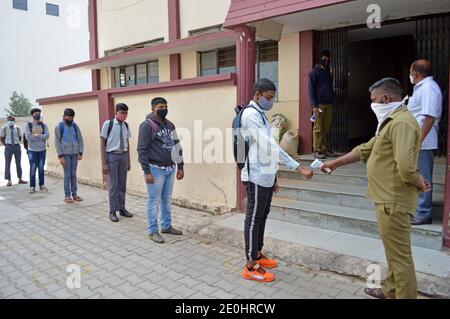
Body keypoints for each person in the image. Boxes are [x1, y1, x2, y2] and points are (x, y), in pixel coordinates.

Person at [323, 78, 431, 299]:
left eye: (373, 100)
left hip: (394, 201)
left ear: (385, 98)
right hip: (386, 198)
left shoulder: (401, 123)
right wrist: (336, 163)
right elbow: (366, 148)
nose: (372, 104)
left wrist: (419, 181)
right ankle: (391, 291)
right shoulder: (390, 121)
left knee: (401, 258)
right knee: (394, 252)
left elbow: (406, 167)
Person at [239, 78, 313, 282]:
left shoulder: (261, 114)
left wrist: (273, 177)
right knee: (254, 219)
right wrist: (297, 166)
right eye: (268, 97)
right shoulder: (251, 115)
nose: (270, 101)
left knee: (261, 216)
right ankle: (250, 265)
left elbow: (266, 149)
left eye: (272, 98)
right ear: (257, 95)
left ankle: (258, 255)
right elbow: (269, 147)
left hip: (265, 176)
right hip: (254, 176)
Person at [137, 97, 185, 244]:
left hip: (170, 168)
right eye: (161, 106)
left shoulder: (170, 125)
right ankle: (152, 230)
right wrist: (147, 172)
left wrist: (181, 166)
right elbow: (142, 150)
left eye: (166, 106)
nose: (164, 108)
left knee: (166, 199)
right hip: (155, 169)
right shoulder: (147, 125)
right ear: (153, 108)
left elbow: (177, 146)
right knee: (154, 200)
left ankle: (166, 226)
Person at [408, 60, 443, 225]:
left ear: (416, 73)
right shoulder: (422, 88)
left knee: (423, 176)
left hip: (423, 141)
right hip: (419, 140)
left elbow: (429, 117)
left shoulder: (428, 88)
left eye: (411, 72)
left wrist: (418, 141)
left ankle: (423, 212)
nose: (410, 76)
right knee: (418, 175)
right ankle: (419, 209)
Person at [100, 103, 133, 222]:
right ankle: (112, 211)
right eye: (122, 113)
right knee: (113, 185)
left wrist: (128, 160)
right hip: (112, 156)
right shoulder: (108, 124)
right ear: (116, 113)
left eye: (126, 113)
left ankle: (122, 208)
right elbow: (102, 142)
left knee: (122, 184)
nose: (124, 116)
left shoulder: (126, 126)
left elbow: (127, 143)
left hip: (123, 156)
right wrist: (104, 163)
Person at [308, 49, 337, 159]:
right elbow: (310, 90)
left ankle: (325, 149)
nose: (326, 60)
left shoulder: (327, 72)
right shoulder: (314, 72)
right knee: (318, 128)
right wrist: (314, 105)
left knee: (326, 128)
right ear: (320, 58)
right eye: (324, 58)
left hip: (329, 104)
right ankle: (317, 150)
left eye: (328, 59)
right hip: (319, 105)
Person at [55, 108, 84, 204]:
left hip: (74, 155)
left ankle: (74, 194)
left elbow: (80, 140)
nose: (70, 120)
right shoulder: (59, 126)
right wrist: (60, 156)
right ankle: (67, 195)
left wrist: (80, 152)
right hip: (65, 155)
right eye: (68, 117)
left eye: (72, 118)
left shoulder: (75, 126)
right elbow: (57, 142)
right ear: (63, 117)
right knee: (67, 175)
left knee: (73, 175)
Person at [24, 108, 50, 193]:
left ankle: (42, 185)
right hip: (32, 151)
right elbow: (28, 137)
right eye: (36, 114)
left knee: (41, 168)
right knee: (33, 168)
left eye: (39, 113)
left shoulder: (44, 125)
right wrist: (40, 136)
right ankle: (32, 186)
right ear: (32, 115)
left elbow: (47, 136)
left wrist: (36, 135)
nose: (38, 115)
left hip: (42, 150)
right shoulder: (28, 125)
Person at [0, 115, 27, 186]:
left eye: (11, 120)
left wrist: (16, 143)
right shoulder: (4, 128)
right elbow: (1, 138)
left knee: (18, 163)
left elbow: (20, 137)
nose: (10, 121)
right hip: (8, 147)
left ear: (14, 121)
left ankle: (20, 178)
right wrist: (6, 145)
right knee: (7, 164)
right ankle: (9, 180)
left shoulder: (17, 128)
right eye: (8, 120)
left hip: (17, 147)